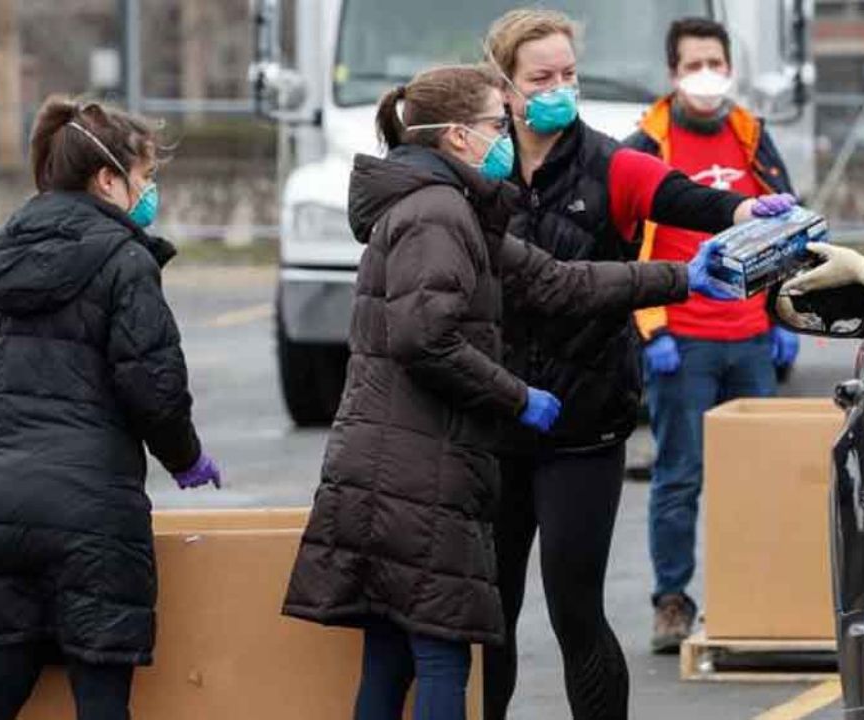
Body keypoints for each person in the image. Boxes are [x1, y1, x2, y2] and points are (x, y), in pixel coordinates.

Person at [280, 64, 733, 720]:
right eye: (498, 123)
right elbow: (422, 338)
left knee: (391, 656)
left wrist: (680, 277)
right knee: (441, 656)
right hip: (414, 469)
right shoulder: (437, 214)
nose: (509, 134)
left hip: (390, 463)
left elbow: (557, 281)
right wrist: (517, 396)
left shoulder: (455, 208)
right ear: (459, 137)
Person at [481, 9, 799, 718]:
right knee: (487, 617)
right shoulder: (480, 168)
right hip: (494, 420)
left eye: (568, 74)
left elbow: (687, 198)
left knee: (575, 611)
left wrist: (750, 214)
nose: (559, 88)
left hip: (584, 424)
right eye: (542, 77)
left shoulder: (609, 163)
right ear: (504, 88)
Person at [0, 97, 221, 720]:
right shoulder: (125, 263)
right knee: (100, 694)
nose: (149, 193)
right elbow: (154, 387)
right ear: (106, 180)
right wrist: (186, 457)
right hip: (93, 513)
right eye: (145, 177)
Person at [620, 16, 812, 653]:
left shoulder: (751, 136)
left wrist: (785, 316)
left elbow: (789, 226)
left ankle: (752, 596)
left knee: (757, 475)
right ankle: (672, 602)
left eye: (717, 63)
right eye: (694, 64)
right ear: (674, 74)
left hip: (751, 338)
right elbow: (627, 244)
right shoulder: (647, 145)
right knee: (681, 475)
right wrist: (652, 331)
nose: (708, 75)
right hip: (684, 342)